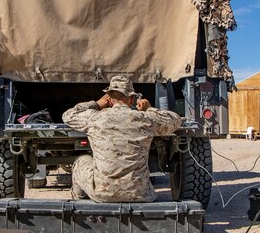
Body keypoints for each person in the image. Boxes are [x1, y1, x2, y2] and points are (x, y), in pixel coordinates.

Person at [62, 75, 182, 203]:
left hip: (102, 194)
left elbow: (68, 115)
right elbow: (175, 121)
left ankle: (80, 204)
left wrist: (96, 104)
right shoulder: (145, 119)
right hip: (140, 194)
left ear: (109, 99)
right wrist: (149, 109)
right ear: (132, 99)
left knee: (81, 161)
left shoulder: (94, 118)